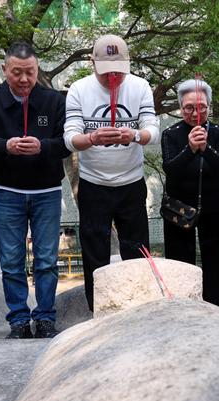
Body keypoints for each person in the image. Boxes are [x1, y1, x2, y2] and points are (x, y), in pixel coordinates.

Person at [0, 43, 70, 339]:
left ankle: (46, 317)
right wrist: (5, 146)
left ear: (37, 70)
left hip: (47, 190)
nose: (24, 79)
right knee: (11, 261)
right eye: (16, 72)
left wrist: (43, 146)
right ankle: (19, 320)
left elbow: (67, 141)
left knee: (47, 260)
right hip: (5, 190)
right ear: (4, 70)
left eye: (30, 72)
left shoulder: (54, 101)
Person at [63, 34, 160, 311]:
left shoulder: (140, 86)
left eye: (118, 70)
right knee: (94, 249)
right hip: (93, 183)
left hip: (131, 181)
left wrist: (134, 135)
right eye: (105, 71)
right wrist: (91, 138)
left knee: (136, 248)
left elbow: (153, 131)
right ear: (92, 62)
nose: (112, 77)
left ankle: (140, 307)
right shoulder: (79, 89)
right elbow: (70, 138)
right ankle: (98, 309)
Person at [161, 79, 219, 308]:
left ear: (209, 107)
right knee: (179, 259)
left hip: (213, 205)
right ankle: (181, 306)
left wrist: (206, 148)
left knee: (215, 258)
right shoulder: (171, 134)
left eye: (202, 107)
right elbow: (170, 168)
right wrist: (190, 149)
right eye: (189, 108)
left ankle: (217, 308)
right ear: (180, 108)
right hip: (179, 207)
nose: (196, 113)